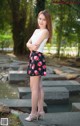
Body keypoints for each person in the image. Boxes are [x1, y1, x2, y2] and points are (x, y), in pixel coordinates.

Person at [25, 10, 52, 121]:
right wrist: (30, 46)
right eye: (39, 18)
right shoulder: (36, 31)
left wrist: (30, 46)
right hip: (34, 58)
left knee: (34, 87)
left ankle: (33, 113)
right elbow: (28, 43)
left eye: (44, 19)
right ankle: (40, 111)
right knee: (38, 86)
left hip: (37, 58)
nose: (41, 21)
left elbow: (34, 47)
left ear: (47, 21)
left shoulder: (45, 31)